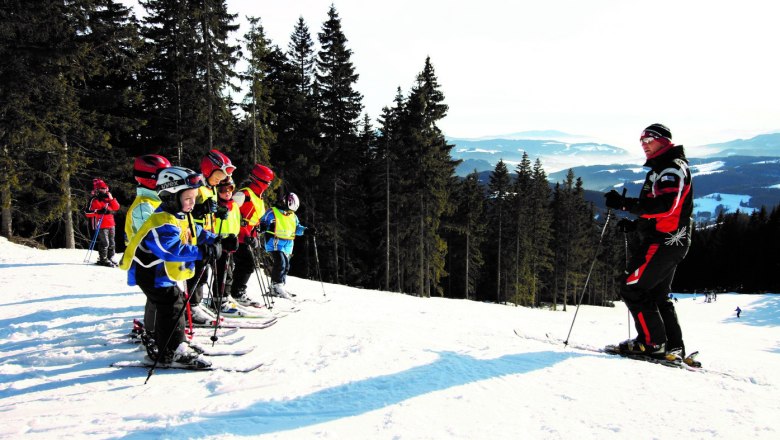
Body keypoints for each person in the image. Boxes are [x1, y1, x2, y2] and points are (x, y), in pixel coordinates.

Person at [604, 123, 693, 361]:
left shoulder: (671, 169)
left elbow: (666, 206)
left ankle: (652, 343)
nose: (644, 144)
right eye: (642, 140)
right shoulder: (661, 168)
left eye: (649, 139)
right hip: (670, 240)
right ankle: (673, 346)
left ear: (664, 141)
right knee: (655, 294)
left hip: (665, 242)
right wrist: (636, 224)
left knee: (632, 287)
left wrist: (625, 205)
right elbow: (667, 211)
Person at [119, 166, 221, 368]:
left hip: (161, 273)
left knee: (173, 304)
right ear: (171, 197)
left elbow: (194, 230)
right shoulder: (161, 221)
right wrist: (203, 252)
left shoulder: (179, 215)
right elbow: (170, 250)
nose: (192, 203)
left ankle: (172, 343)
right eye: (188, 199)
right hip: (149, 273)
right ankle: (173, 349)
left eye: (193, 198)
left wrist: (218, 239)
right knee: (172, 305)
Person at [124, 154, 171, 333]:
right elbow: (151, 235)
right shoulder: (144, 206)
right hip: (148, 260)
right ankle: (154, 332)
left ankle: (155, 330)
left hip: (157, 260)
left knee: (159, 296)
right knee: (158, 297)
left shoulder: (157, 201)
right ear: (150, 179)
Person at [187, 149, 235, 324]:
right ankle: (191, 306)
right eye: (220, 173)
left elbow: (211, 208)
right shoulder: (197, 185)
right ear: (209, 169)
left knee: (203, 272)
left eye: (225, 175)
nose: (222, 178)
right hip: (193, 236)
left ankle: (195, 304)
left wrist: (218, 211)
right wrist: (200, 209)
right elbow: (185, 210)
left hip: (207, 235)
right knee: (196, 272)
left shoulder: (211, 187)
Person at [230, 164, 275, 307]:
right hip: (237, 237)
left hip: (249, 238)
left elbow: (254, 219)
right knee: (247, 265)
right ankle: (236, 293)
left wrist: (259, 228)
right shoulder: (244, 194)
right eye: (266, 182)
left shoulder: (258, 197)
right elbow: (231, 214)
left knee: (245, 265)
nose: (268, 186)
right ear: (258, 180)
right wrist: (244, 232)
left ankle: (235, 292)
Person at [258, 192, 313, 299]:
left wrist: (306, 231)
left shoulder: (293, 216)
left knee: (286, 265)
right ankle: (276, 285)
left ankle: (279, 286)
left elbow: (296, 228)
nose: (289, 212)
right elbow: (263, 222)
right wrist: (264, 226)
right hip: (274, 241)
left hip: (287, 244)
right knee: (281, 262)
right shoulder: (273, 212)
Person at [211, 176, 240, 313]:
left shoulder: (234, 205)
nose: (227, 192)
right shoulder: (215, 205)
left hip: (230, 242)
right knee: (222, 272)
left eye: (230, 189)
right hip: (219, 242)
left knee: (229, 271)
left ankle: (225, 297)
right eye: (223, 190)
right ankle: (218, 302)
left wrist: (235, 237)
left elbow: (236, 223)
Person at [85, 178, 121, 267]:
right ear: (97, 190)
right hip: (100, 224)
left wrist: (111, 199)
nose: (103, 190)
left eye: (105, 188)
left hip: (111, 223)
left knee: (112, 242)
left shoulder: (108, 199)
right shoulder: (94, 199)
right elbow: (87, 213)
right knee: (105, 242)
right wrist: (98, 211)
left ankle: (111, 257)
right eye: (101, 188)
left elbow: (116, 207)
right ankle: (103, 259)